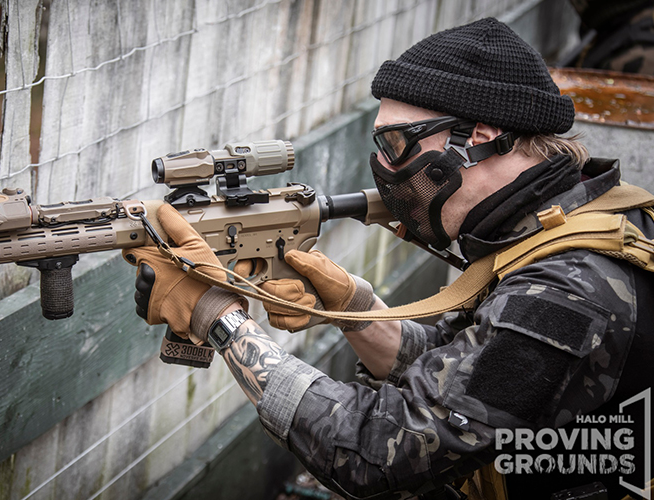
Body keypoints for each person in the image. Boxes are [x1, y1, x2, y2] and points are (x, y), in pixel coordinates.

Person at [124, 18, 654, 500]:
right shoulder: (560, 221)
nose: (382, 165)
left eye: (397, 142)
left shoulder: (568, 290)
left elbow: (375, 453)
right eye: (378, 141)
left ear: (484, 139)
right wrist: (356, 309)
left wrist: (218, 318)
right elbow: (464, 376)